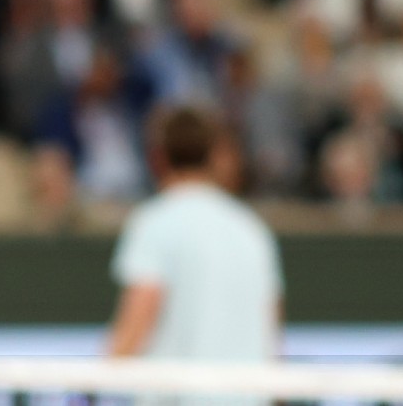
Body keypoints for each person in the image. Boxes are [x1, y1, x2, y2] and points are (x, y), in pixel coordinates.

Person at [108, 106, 283, 393]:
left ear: (157, 158)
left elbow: (139, 314)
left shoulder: (154, 223)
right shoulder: (252, 230)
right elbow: (271, 337)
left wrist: (93, 387)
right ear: (213, 155)